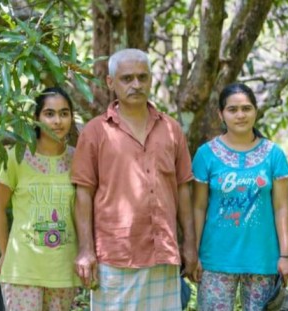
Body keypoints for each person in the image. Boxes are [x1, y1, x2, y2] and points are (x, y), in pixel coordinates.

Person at [71, 48, 198, 311]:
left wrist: (190, 245)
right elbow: (83, 194)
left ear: (151, 79)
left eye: (142, 77)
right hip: (115, 255)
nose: (136, 85)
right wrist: (85, 250)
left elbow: (183, 190)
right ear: (111, 82)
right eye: (127, 79)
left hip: (163, 252)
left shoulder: (172, 129)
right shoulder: (95, 131)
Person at [192, 83, 288, 310]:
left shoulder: (274, 155)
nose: (240, 115)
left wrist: (286, 255)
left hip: (263, 259)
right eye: (232, 109)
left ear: (255, 111)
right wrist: (194, 253)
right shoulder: (206, 154)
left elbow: (281, 207)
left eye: (246, 108)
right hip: (215, 259)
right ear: (221, 114)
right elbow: (198, 208)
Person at [0, 86, 81, 310]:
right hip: (22, 270)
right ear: (36, 118)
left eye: (64, 113)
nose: (57, 121)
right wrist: (5, 253)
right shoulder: (16, 157)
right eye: (49, 113)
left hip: (63, 270)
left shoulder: (79, 159)